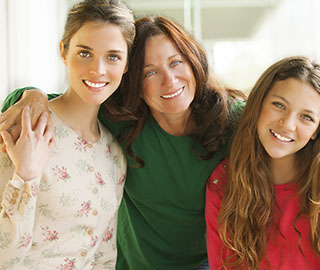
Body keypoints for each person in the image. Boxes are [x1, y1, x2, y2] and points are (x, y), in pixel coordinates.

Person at [0, 16, 246, 269]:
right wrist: (33, 95)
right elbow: (52, 106)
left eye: (176, 63)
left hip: (203, 264)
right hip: (129, 265)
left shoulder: (233, 120)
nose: (169, 80)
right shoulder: (122, 120)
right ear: (136, 84)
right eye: (150, 72)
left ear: (194, 62)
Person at [0, 0, 135, 268]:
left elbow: (103, 255)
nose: (98, 69)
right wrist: (25, 175)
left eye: (113, 56)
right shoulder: (25, 126)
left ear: (127, 63)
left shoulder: (114, 155)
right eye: (85, 53)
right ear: (63, 51)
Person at [205, 56, 320, 270]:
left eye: (306, 117)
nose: (288, 124)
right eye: (279, 105)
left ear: (317, 130)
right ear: (258, 104)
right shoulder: (224, 182)